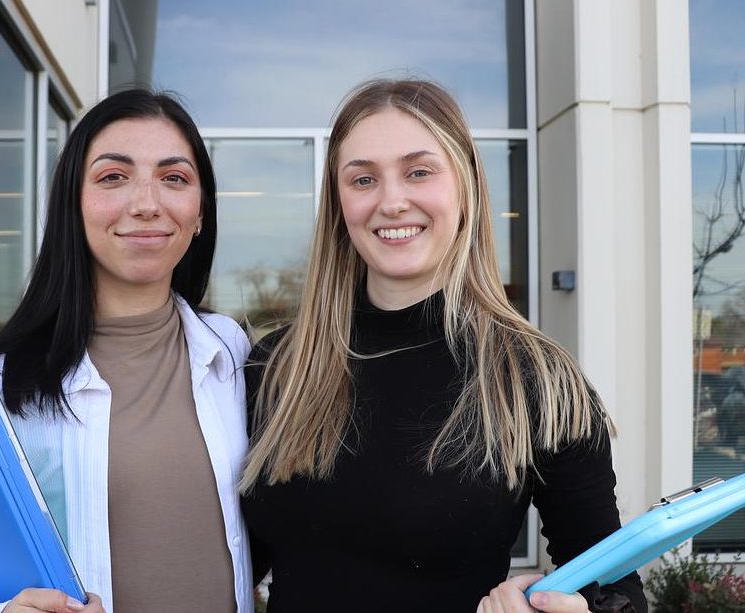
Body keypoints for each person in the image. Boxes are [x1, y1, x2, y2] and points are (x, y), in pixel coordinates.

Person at [239, 79, 647, 613]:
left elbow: (617, 594)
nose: (391, 201)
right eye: (363, 179)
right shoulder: (277, 367)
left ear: (466, 186)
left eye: (419, 171)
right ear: (339, 204)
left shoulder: (535, 379)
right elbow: (230, 563)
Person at [0, 89, 253, 613]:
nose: (146, 203)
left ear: (199, 214)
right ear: (72, 207)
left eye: (174, 178)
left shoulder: (233, 353)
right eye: (112, 177)